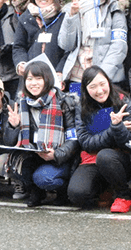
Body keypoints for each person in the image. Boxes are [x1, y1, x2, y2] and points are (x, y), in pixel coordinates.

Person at [5, 60, 79, 208]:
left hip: (61, 156)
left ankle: (62, 191)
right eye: (29, 79)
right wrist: (13, 126)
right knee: (18, 164)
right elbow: (9, 143)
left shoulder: (64, 102)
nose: (33, 83)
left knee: (44, 178)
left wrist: (57, 154)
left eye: (38, 78)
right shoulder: (22, 103)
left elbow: (74, 138)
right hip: (35, 153)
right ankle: (36, 192)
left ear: (48, 79)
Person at [68, 66, 131, 213]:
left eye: (102, 84)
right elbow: (86, 143)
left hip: (119, 160)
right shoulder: (82, 107)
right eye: (92, 86)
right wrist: (114, 129)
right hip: (91, 159)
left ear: (109, 82)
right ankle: (104, 188)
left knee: (105, 156)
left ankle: (124, 195)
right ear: (85, 89)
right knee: (77, 195)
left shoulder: (126, 104)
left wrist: (117, 130)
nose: (99, 91)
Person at [59, 0, 128, 90]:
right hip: (77, 75)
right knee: (79, 109)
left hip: (106, 77)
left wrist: (101, 75)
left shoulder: (114, 8)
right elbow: (65, 45)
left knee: (105, 110)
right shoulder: (72, 8)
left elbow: (119, 46)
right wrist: (72, 16)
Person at [12, 0, 68, 87]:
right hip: (31, 79)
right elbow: (19, 47)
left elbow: (69, 49)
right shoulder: (25, 17)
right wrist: (21, 63)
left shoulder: (64, 17)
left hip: (56, 77)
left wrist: (60, 70)